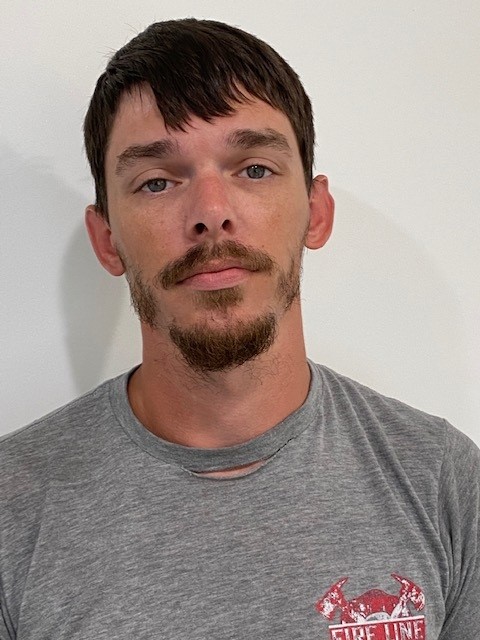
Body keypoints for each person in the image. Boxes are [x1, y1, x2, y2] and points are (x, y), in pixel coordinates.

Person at [0, 18, 478, 640]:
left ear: (317, 212)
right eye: (157, 181)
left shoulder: (444, 482)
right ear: (107, 239)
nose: (211, 213)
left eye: (253, 168)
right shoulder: (11, 509)